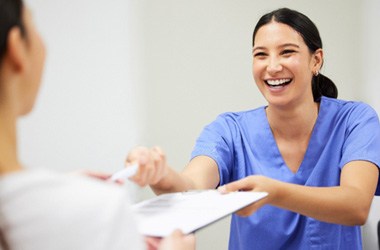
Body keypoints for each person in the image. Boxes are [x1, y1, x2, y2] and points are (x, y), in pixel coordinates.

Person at [126, 7, 380, 249]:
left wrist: (274, 192)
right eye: (261, 54)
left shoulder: (355, 121)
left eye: (287, 52)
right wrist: (160, 175)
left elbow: (355, 205)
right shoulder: (229, 130)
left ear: (316, 61)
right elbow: (191, 187)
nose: (272, 66)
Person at [0, 0, 195, 249]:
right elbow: (195, 186)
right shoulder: (99, 211)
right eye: (33, 22)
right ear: (17, 47)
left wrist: (64, 186)